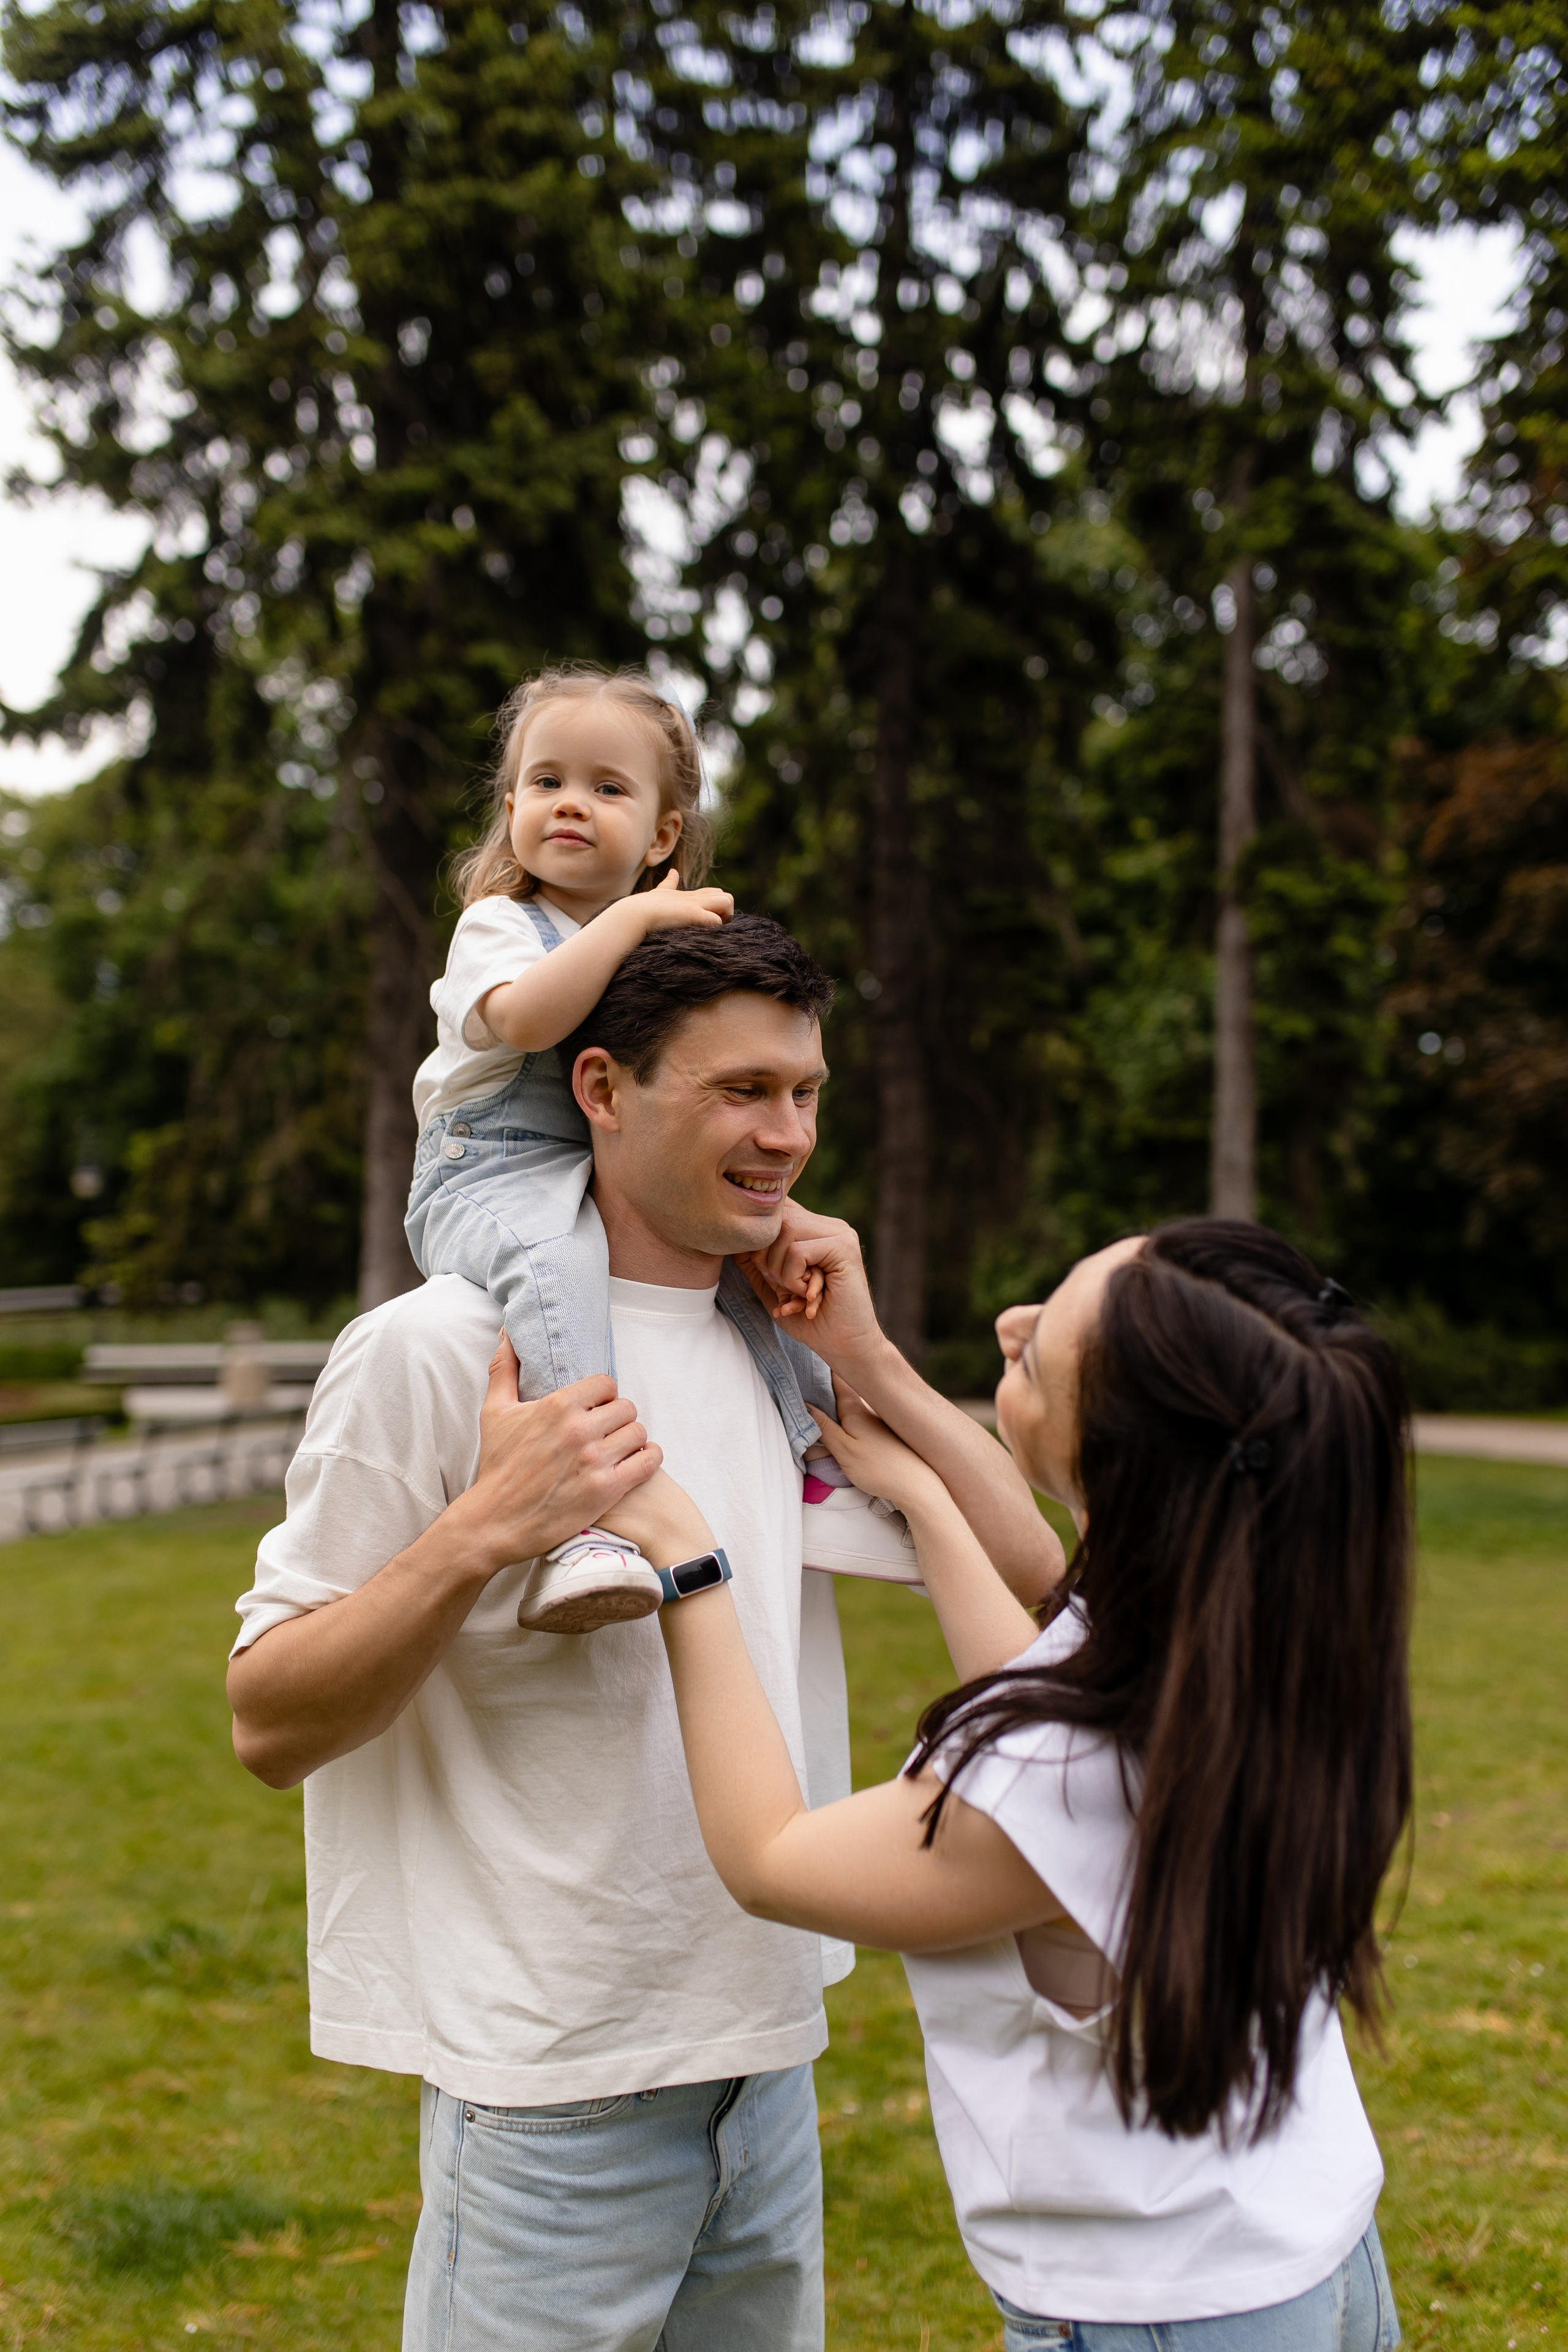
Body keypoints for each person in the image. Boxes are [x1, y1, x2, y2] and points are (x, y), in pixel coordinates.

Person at [227, 915, 1063, 2352]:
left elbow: (1033, 1582)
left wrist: (863, 1357)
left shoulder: (776, 1349)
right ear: (602, 1090)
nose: (786, 1135)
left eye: (804, 1093)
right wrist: (488, 1529)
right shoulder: (435, 1350)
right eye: (742, 1091)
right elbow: (267, 1721)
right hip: (553, 2086)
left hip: (768, 2057)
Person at [619, 1214, 1410, 2351]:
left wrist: (685, 1562)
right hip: (1308, 2244)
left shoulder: (1056, 1778)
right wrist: (901, 1433)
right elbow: (1048, 1611)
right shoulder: (1258, 1646)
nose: (1009, 1323)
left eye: (1039, 1352)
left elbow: (770, 1856)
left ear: (1124, 1466)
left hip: (1163, 2311)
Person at [403, 659, 918, 1632]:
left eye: (607, 788)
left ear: (662, 833)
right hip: (489, 1166)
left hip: (599, 1163)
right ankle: (582, 1521)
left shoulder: (655, 951)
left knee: (754, 1263)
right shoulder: (500, 927)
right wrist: (640, 916)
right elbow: (524, 1023)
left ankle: (817, 1471)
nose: (570, 805)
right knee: (557, 1264)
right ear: (510, 805)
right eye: (546, 782)